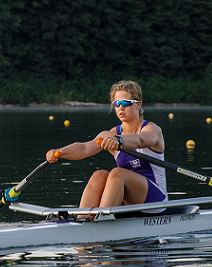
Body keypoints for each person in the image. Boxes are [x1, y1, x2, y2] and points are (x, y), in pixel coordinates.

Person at [46, 81, 167, 212]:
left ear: (138, 104)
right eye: (117, 104)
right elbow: (83, 149)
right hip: (127, 199)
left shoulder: (152, 130)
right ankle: (83, 219)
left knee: (117, 173)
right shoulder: (111, 134)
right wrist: (61, 151)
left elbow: (140, 139)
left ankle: (102, 219)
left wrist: (119, 140)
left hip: (155, 200)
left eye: (126, 103)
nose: (121, 108)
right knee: (100, 175)